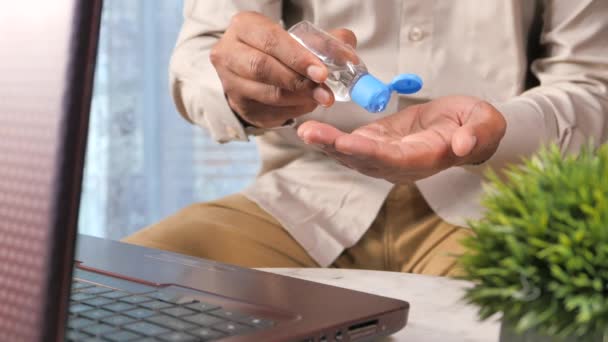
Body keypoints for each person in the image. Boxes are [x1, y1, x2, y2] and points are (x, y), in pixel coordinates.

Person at [124, 1, 608, 276]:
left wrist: (495, 128)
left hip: (497, 199)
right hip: (303, 198)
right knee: (106, 294)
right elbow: (202, 57)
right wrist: (238, 89)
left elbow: (592, 84)